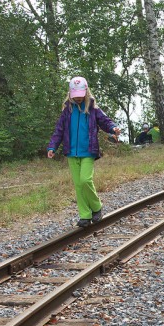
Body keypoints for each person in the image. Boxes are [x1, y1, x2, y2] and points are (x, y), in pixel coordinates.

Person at [47, 76, 120, 228]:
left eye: (81, 96)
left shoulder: (93, 109)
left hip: (88, 151)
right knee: (78, 185)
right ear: (71, 94)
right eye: (76, 96)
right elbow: (59, 130)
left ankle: (96, 206)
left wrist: (113, 128)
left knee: (85, 180)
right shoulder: (67, 110)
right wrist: (52, 146)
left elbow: (105, 121)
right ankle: (85, 215)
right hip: (71, 152)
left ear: (86, 92)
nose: (78, 99)